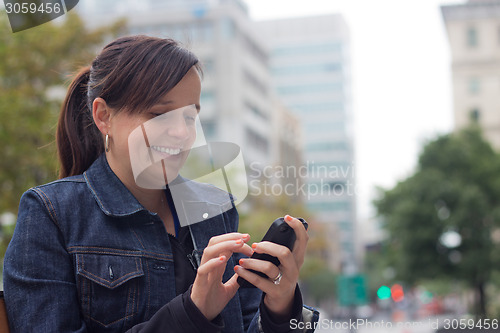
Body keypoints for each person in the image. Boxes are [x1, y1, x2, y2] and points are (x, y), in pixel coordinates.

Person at [2, 35, 318, 332]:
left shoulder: (215, 209)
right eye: (159, 114)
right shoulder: (52, 214)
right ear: (104, 117)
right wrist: (192, 313)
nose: (182, 133)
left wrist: (281, 305)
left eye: (190, 117)